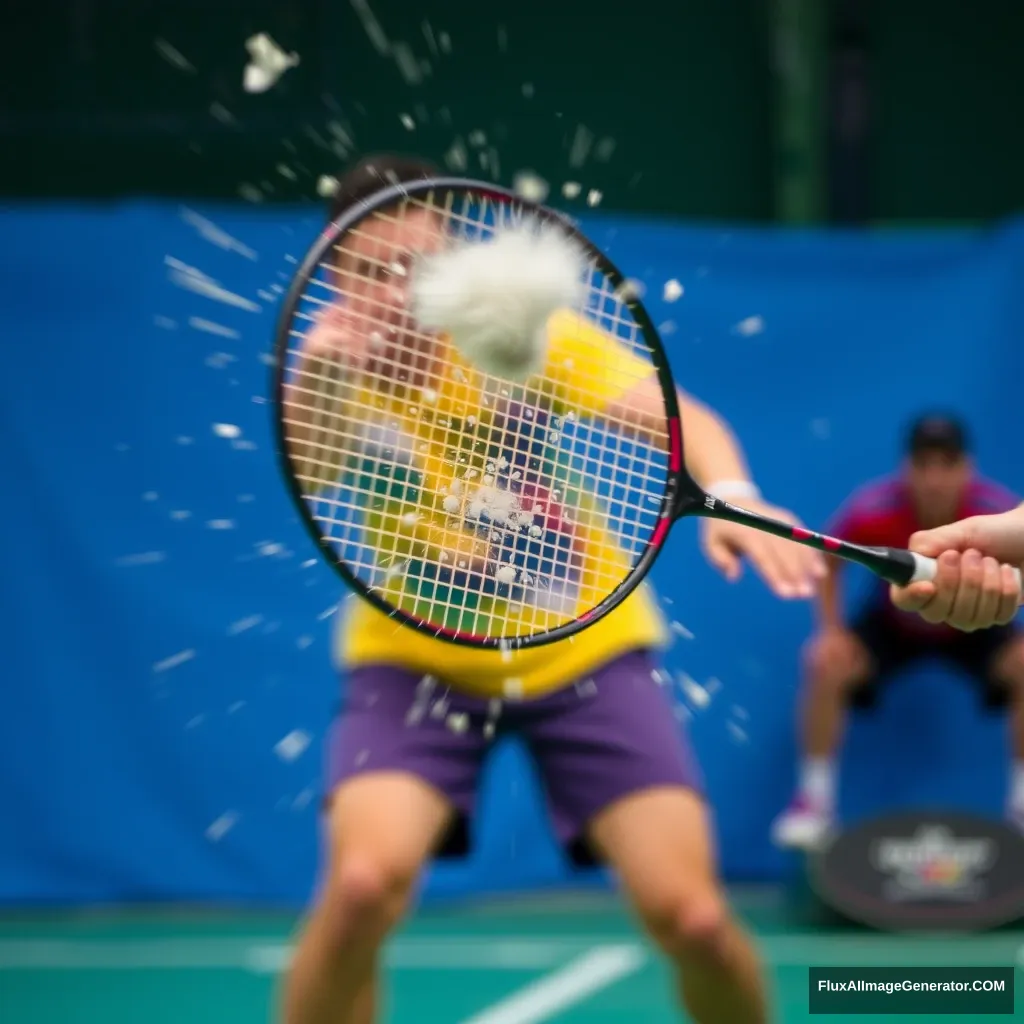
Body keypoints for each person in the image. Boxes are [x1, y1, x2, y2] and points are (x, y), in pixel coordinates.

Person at [280, 153, 825, 1024]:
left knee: (693, 918)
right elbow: (309, 469)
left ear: (450, 266)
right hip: (415, 661)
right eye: (367, 271)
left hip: (586, 652)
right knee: (358, 890)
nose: (392, 291)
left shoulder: (518, 334)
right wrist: (317, 379)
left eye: (412, 267)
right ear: (335, 278)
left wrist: (736, 499)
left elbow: (688, 423)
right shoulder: (326, 370)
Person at [772, 414, 1024, 851]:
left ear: (967, 468)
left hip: (976, 628)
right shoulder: (873, 511)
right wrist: (831, 632)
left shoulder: (999, 512)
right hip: (893, 626)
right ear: (907, 468)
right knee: (825, 663)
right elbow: (829, 563)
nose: (934, 478)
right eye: (923, 463)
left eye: (947, 463)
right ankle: (814, 802)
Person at [890, 504, 1024, 630]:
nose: (934, 485)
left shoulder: (993, 505)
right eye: (921, 477)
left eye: (947, 477)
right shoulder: (877, 514)